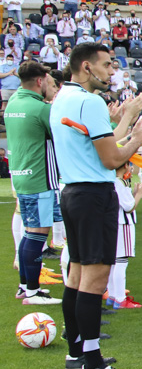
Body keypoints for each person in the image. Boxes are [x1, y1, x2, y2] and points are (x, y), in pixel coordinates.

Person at [49, 42, 142, 369]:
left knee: (77, 276)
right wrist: (138, 137)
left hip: (73, 193)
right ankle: (93, 364)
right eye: (108, 65)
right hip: (94, 196)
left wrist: (126, 119)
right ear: (86, 67)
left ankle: (76, 352)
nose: (112, 71)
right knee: (94, 281)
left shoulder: (62, 99)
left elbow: (103, 143)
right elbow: (112, 160)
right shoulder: (89, 101)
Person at [5, 61, 61, 304]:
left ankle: (24, 286)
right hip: (39, 178)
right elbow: (62, 135)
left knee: (29, 234)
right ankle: (32, 291)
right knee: (37, 234)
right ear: (40, 81)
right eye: (49, 81)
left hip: (21, 175)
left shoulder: (14, 102)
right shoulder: (40, 109)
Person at [106, 158, 142, 309]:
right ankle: (120, 298)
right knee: (121, 261)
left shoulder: (114, 181)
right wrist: (140, 194)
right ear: (125, 165)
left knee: (114, 262)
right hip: (123, 224)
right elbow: (129, 207)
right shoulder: (118, 182)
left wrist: (135, 192)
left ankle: (112, 295)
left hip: (115, 224)